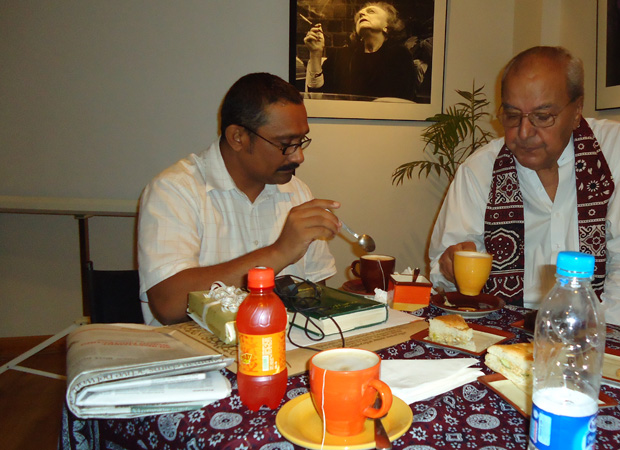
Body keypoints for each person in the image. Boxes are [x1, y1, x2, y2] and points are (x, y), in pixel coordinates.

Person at [429, 46, 620, 328]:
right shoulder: (479, 170)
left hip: (595, 325)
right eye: (512, 116)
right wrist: (449, 268)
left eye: (542, 117)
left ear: (576, 111)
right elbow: (443, 275)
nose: (524, 132)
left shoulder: (617, 149)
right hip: (501, 327)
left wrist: (597, 337)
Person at [138, 73, 340, 325]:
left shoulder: (297, 193)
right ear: (238, 138)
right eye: (286, 143)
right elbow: (169, 305)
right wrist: (279, 252)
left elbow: (315, 302)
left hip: (281, 345)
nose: (298, 157)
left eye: (301, 141)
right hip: (196, 350)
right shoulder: (174, 190)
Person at [304, 1, 417, 101]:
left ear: (386, 26)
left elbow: (403, 101)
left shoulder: (400, 55)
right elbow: (317, 97)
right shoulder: (340, 56)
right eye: (359, 16)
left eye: (371, 11)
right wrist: (315, 54)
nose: (362, 14)